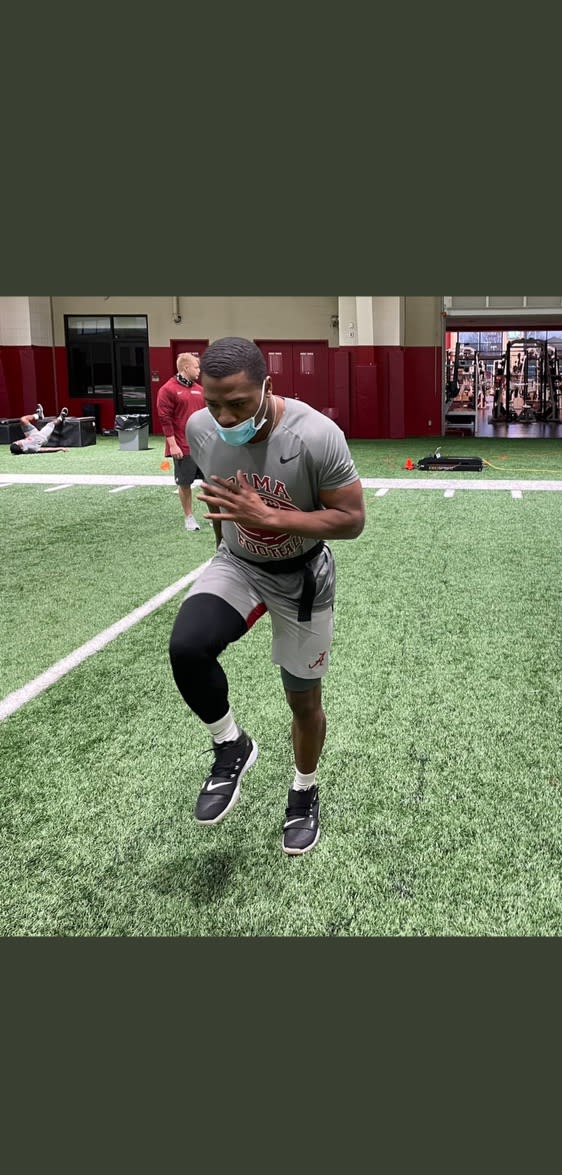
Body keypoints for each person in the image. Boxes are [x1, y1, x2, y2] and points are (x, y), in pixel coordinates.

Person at [169, 337, 365, 856]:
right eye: (213, 402)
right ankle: (231, 743)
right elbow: (218, 499)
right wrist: (222, 552)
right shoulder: (199, 428)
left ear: (267, 387)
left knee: (302, 700)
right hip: (238, 564)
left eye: (238, 402)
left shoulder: (317, 435)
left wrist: (274, 518)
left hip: (302, 577)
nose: (224, 415)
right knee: (187, 647)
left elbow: (352, 519)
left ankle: (303, 790)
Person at [156, 352, 205, 531]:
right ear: (186, 368)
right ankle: (189, 517)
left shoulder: (200, 390)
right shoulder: (168, 389)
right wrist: (173, 444)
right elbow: (165, 419)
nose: (199, 370)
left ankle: (215, 514)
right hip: (182, 446)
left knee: (211, 482)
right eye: (196, 367)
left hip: (202, 446)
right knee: (185, 483)